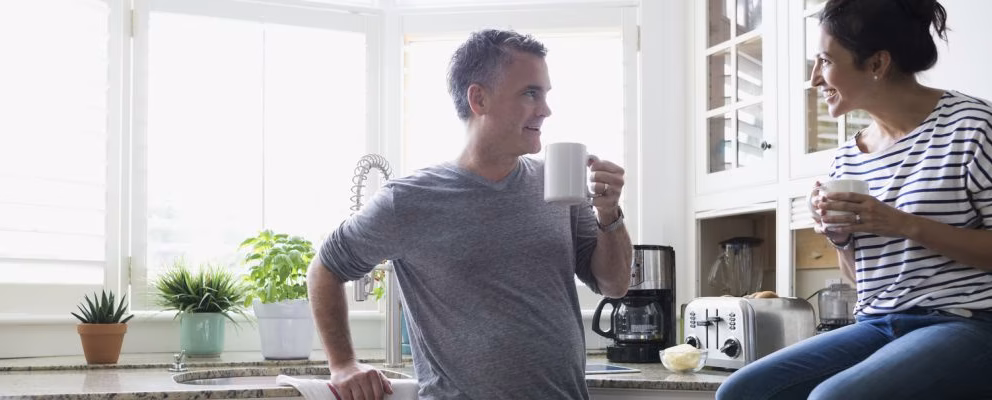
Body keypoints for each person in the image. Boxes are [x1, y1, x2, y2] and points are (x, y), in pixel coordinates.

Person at [307, 29, 633, 400]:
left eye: (545, 94)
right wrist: (344, 364)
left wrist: (609, 213)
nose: (545, 109)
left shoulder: (557, 185)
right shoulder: (409, 200)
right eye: (531, 93)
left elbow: (614, 284)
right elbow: (325, 268)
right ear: (479, 98)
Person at [716, 0, 992, 399]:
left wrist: (901, 224)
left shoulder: (973, 127)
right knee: (740, 392)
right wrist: (839, 236)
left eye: (825, 61)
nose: (814, 78)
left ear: (877, 64)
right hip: (879, 324)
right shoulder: (848, 158)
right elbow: (859, 278)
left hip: (970, 324)